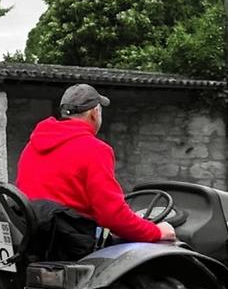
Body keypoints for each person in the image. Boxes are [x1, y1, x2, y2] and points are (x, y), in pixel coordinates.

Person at [16, 83, 176, 245]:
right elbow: (112, 216)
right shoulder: (96, 149)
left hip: (35, 239)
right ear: (95, 113)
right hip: (72, 244)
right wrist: (156, 231)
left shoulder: (32, 145)